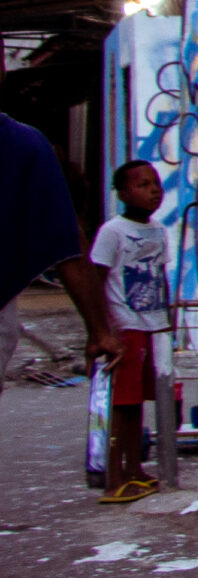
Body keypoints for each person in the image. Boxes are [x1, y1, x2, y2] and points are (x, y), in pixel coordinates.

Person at [0, 110, 115, 391]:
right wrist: (99, 331)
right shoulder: (23, 143)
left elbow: (66, 242)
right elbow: (66, 242)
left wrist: (99, 330)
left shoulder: (22, 144)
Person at [88, 161, 174, 503]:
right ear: (124, 193)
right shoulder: (112, 231)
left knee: (138, 401)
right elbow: (97, 279)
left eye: (155, 183)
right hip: (126, 327)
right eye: (143, 184)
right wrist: (102, 329)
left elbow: (160, 277)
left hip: (153, 325)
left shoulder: (159, 230)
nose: (154, 189)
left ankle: (135, 468)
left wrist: (168, 322)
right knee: (120, 404)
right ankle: (113, 475)